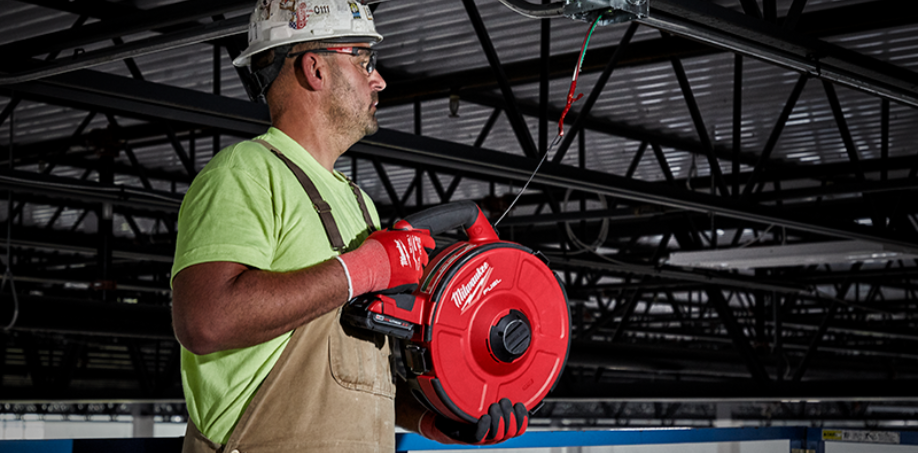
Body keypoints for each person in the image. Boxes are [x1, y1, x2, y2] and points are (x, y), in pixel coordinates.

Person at [171, 1, 527, 452]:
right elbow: (206, 321)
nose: (379, 79)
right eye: (363, 60)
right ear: (314, 69)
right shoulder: (245, 172)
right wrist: (365, 268)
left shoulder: (357, 202)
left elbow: (357, 375)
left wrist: (433, 422)